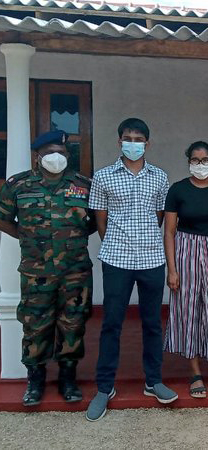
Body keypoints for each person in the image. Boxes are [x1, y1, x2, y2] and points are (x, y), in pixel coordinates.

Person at [86, 118, 177, 422]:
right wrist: (118, 242)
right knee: (112, 323)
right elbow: (101, 220)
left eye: (139, 139)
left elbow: (160, 217)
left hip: (151, 259)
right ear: (119, 141)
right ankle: (104, 388)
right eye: (128, 138)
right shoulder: (103, 176)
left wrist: (143, 240)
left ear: (147, 143)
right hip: (117, 259)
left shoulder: (159, 177)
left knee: (152, 323)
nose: (133, 144)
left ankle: (154, 381)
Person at [0, 130, 95, 406]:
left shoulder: (83, 185)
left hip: (74, 271)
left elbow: (95, 221)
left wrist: (72, 237)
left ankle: (68, 378)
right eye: (50, 152)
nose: (56, 157)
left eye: (62, 153)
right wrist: (27, 236)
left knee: (73, 324)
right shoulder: (18, 185)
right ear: (37, 156)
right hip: (36, 272)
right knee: (35, 325)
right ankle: (35, 380)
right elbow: (3, 218)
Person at [163, 141, 208, 398]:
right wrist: (172, 269)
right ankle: (195, 372)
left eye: (205, 160)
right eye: (195, 160)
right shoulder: (178, 190)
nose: (200, 164)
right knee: (188, 309)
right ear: (189, 162)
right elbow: (169, 232)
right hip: (185, 250)